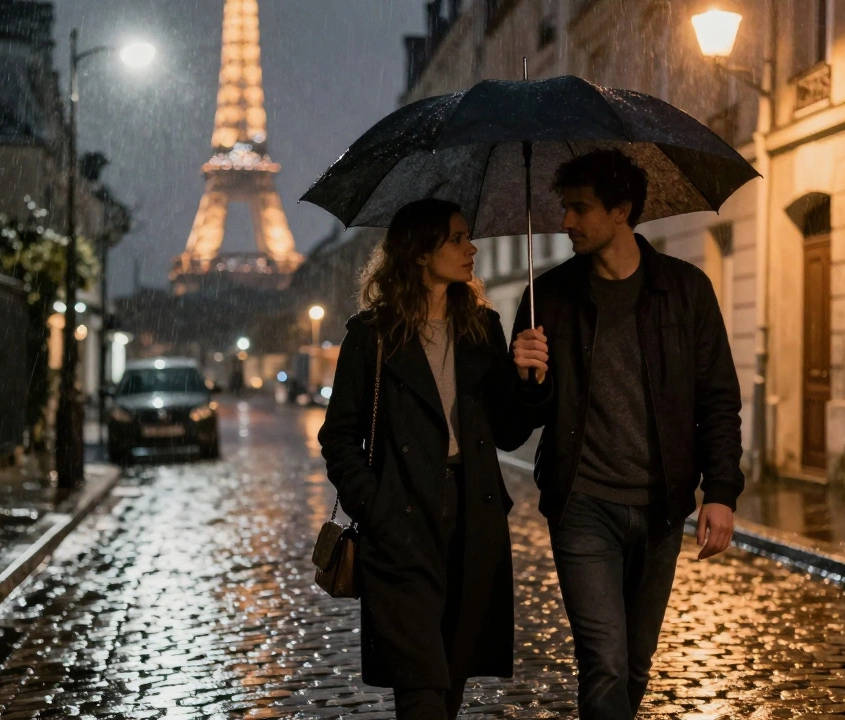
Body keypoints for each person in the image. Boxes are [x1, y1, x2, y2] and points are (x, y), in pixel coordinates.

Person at [509, 149, 744, 719]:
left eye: (580, 208)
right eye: (564, 208)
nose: (566, 221)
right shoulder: (547, 298)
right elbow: (514, 426)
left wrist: (720, 492)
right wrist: (525, 377)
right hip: (582, 504)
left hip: (661, 506)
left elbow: (717, 397)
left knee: (636, 663)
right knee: (605, 661)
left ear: (621, 211)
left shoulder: (685, 289)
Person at [318, 198, 546, 720]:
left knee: (451, 675)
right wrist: (375, 506)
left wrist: (528, 381)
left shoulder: (482, 328)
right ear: (421, 252)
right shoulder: (371, 335)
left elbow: (509, 432)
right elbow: (339, 437)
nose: (472, 248)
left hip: (472, 515)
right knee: (420, 680)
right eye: (457, 238)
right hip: (401, 515)